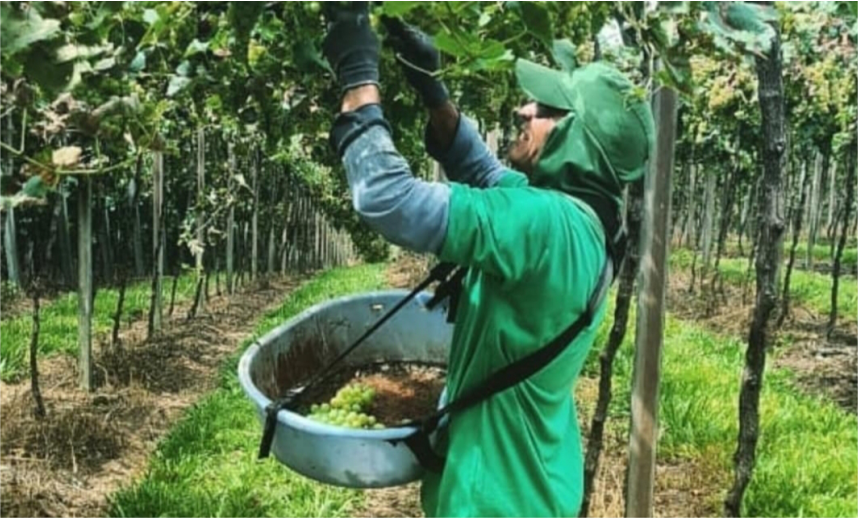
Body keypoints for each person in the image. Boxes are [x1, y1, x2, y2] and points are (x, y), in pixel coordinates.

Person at [321, 4, 655, 517]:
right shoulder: (589, 223)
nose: (523, 110)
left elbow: (386, 197)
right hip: (536, 484)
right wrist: (434, 93)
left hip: (490, 498)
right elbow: (482, 170)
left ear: (576, 139)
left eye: (543, 109)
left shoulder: (541, 224)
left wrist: (359, 80)